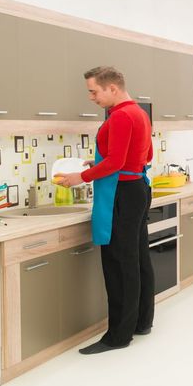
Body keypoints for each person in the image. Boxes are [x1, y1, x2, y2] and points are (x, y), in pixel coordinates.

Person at [58, 66, 155, 354]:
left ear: (112, 88)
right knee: (137, 258)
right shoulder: (139, 113)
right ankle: (141, 322)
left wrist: (80, 177)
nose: (91, 97)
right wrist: (96, 163)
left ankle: (118, 336)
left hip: (121, 194)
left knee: (119, 263)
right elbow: (145, 155)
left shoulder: (121, 116)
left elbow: (115, 163)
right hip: (137, 189)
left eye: (94, 91)